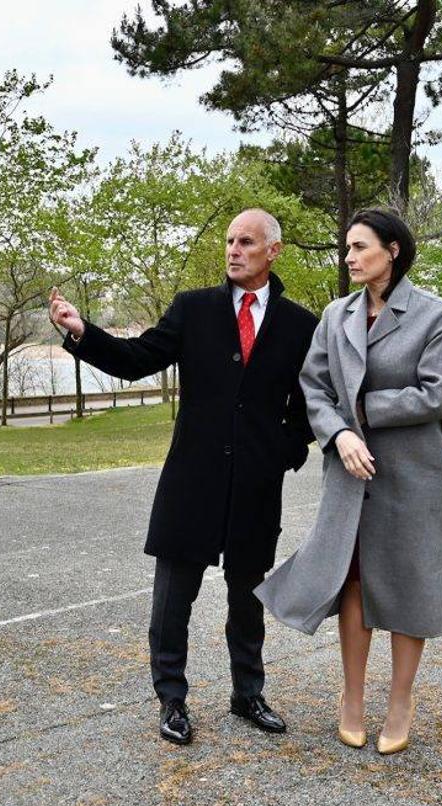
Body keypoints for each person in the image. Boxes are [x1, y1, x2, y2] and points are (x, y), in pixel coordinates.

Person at [48, 208, 318, 745]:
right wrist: (83, 333)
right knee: (173, 601)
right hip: (191, 483)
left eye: (246, 242)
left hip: (255, 490)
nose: (234, 250)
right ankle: (172, 699)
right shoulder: (193, 310)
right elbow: (136, 358)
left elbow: (309, 408)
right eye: (229, 241)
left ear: (273, 251)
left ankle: (248, 694)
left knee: (249, 599)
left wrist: (280, 453)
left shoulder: (300, 325)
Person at [255, 207, 442, 756]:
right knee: (352, 580)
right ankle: (351, 699)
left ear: (392, 250)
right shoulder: (335, 315)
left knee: (409, 581)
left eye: (360, 247)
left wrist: (362, 410)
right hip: (350, 472)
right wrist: (339, 434)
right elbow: (313, 387)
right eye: (346, 248)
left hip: (414, 474)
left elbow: (437, 393)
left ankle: (400, 700)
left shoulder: (435, 315)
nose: (349, 258)